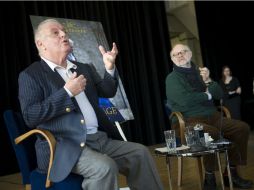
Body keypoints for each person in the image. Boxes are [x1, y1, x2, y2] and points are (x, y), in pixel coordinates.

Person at [18, 19, 164, 190]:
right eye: (55, 33)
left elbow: (107, 91)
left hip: (100, 138)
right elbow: (30, 116)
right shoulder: (31, 75)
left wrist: (109, 67)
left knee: (141, 153)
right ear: (41, 44)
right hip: (64, 146)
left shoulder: (83, 68)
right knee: (104, 167)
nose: (64, 34)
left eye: (64, 31)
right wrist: (67, 93)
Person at [165, 44, 252, 190]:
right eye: (176, 54)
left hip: (214, 117)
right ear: (172, 59)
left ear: (190, 54)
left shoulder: (200, 73)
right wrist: (207, 94)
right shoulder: (172, 78)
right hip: (187, 121)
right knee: (209, 133)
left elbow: (219, 94)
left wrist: (208, 80)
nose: (180, 55)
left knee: (242, 128)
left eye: (183, 52)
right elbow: (185, 100)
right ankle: (209, 175)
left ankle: (230, 173)